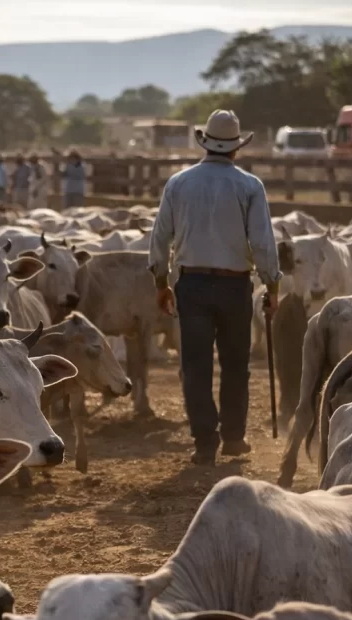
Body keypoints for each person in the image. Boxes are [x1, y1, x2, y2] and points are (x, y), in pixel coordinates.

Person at [148, 109, 281, 466]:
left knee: (196, 366)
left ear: (205, 143)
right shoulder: (249, 186)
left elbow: (160, 237)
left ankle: (204, 442)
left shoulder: (178, 183)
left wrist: (161, 281)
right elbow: (263, 242)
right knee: (236, 363)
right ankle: (234, 438)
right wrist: (272, 284)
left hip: (191, 284)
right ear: (236, 147)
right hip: (235, 285)